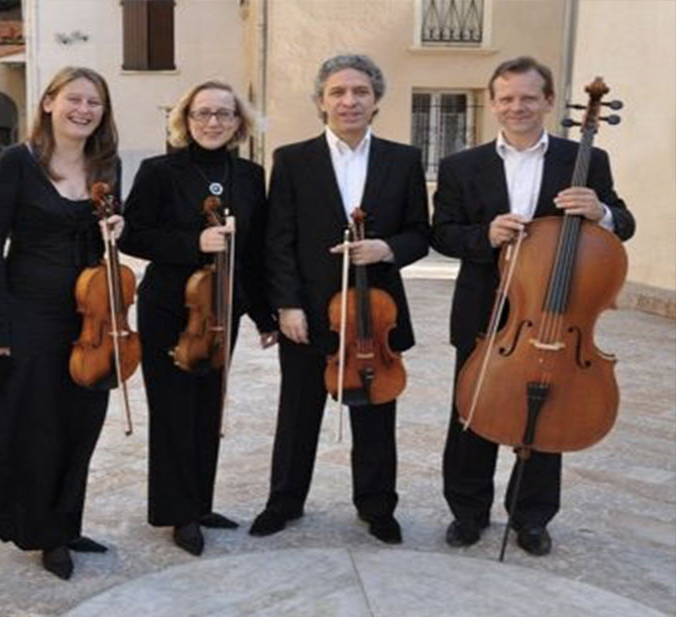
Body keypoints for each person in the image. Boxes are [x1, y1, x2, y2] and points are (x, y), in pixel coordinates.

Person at [431, 56, 634, 556]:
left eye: (528, 97)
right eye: (506, 98)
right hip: (486, 312)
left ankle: (532, 518)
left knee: (548, 414)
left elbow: (623, 223)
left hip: (558, 315)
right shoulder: (461, 166)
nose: (516, 107)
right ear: (492, 103)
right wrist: (486, 235)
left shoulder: (584, 159)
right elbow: (443, 234)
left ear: (548, 101)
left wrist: (601, 212)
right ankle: (468, 512)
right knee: (472, 412)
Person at [250, 54, 429, 544]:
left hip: (376, 314)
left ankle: (377, 507)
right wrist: (287, 305)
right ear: (321, 101)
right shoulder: (292, 159)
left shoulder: (404, 160)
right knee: (298, 412)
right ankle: (284, 501)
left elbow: (420, 232)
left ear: (376, 100)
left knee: (375, 413)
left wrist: (387, 248)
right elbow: (278, 239)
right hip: (309, 312)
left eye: (360, 92)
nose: (349, 101)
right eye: (338, 92)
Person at [0, 67, 124, 581]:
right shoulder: (16, 162)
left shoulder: (107, 164)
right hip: (29, 313)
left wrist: (117, 226)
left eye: (94, 102)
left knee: (81, 422)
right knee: (37, 426)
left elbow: (104, 238)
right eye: (74, 99)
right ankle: (43, 532)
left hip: (90, 317)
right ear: (49, 102)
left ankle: (67, 522)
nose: (83, 110)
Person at [119, 81, 278, 556]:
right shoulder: (159, 171)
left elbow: (254, 251)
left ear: (238, 123)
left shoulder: (249, 175)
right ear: (185, 120)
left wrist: (264, 315)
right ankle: (177, 512)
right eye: (203, 113)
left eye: (224, 114)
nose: (213, 122)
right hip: (170, 308)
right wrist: (194, 243)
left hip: (222, 308)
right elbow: (133, 236)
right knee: (173, 409)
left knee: (210, 406)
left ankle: (200, 502)